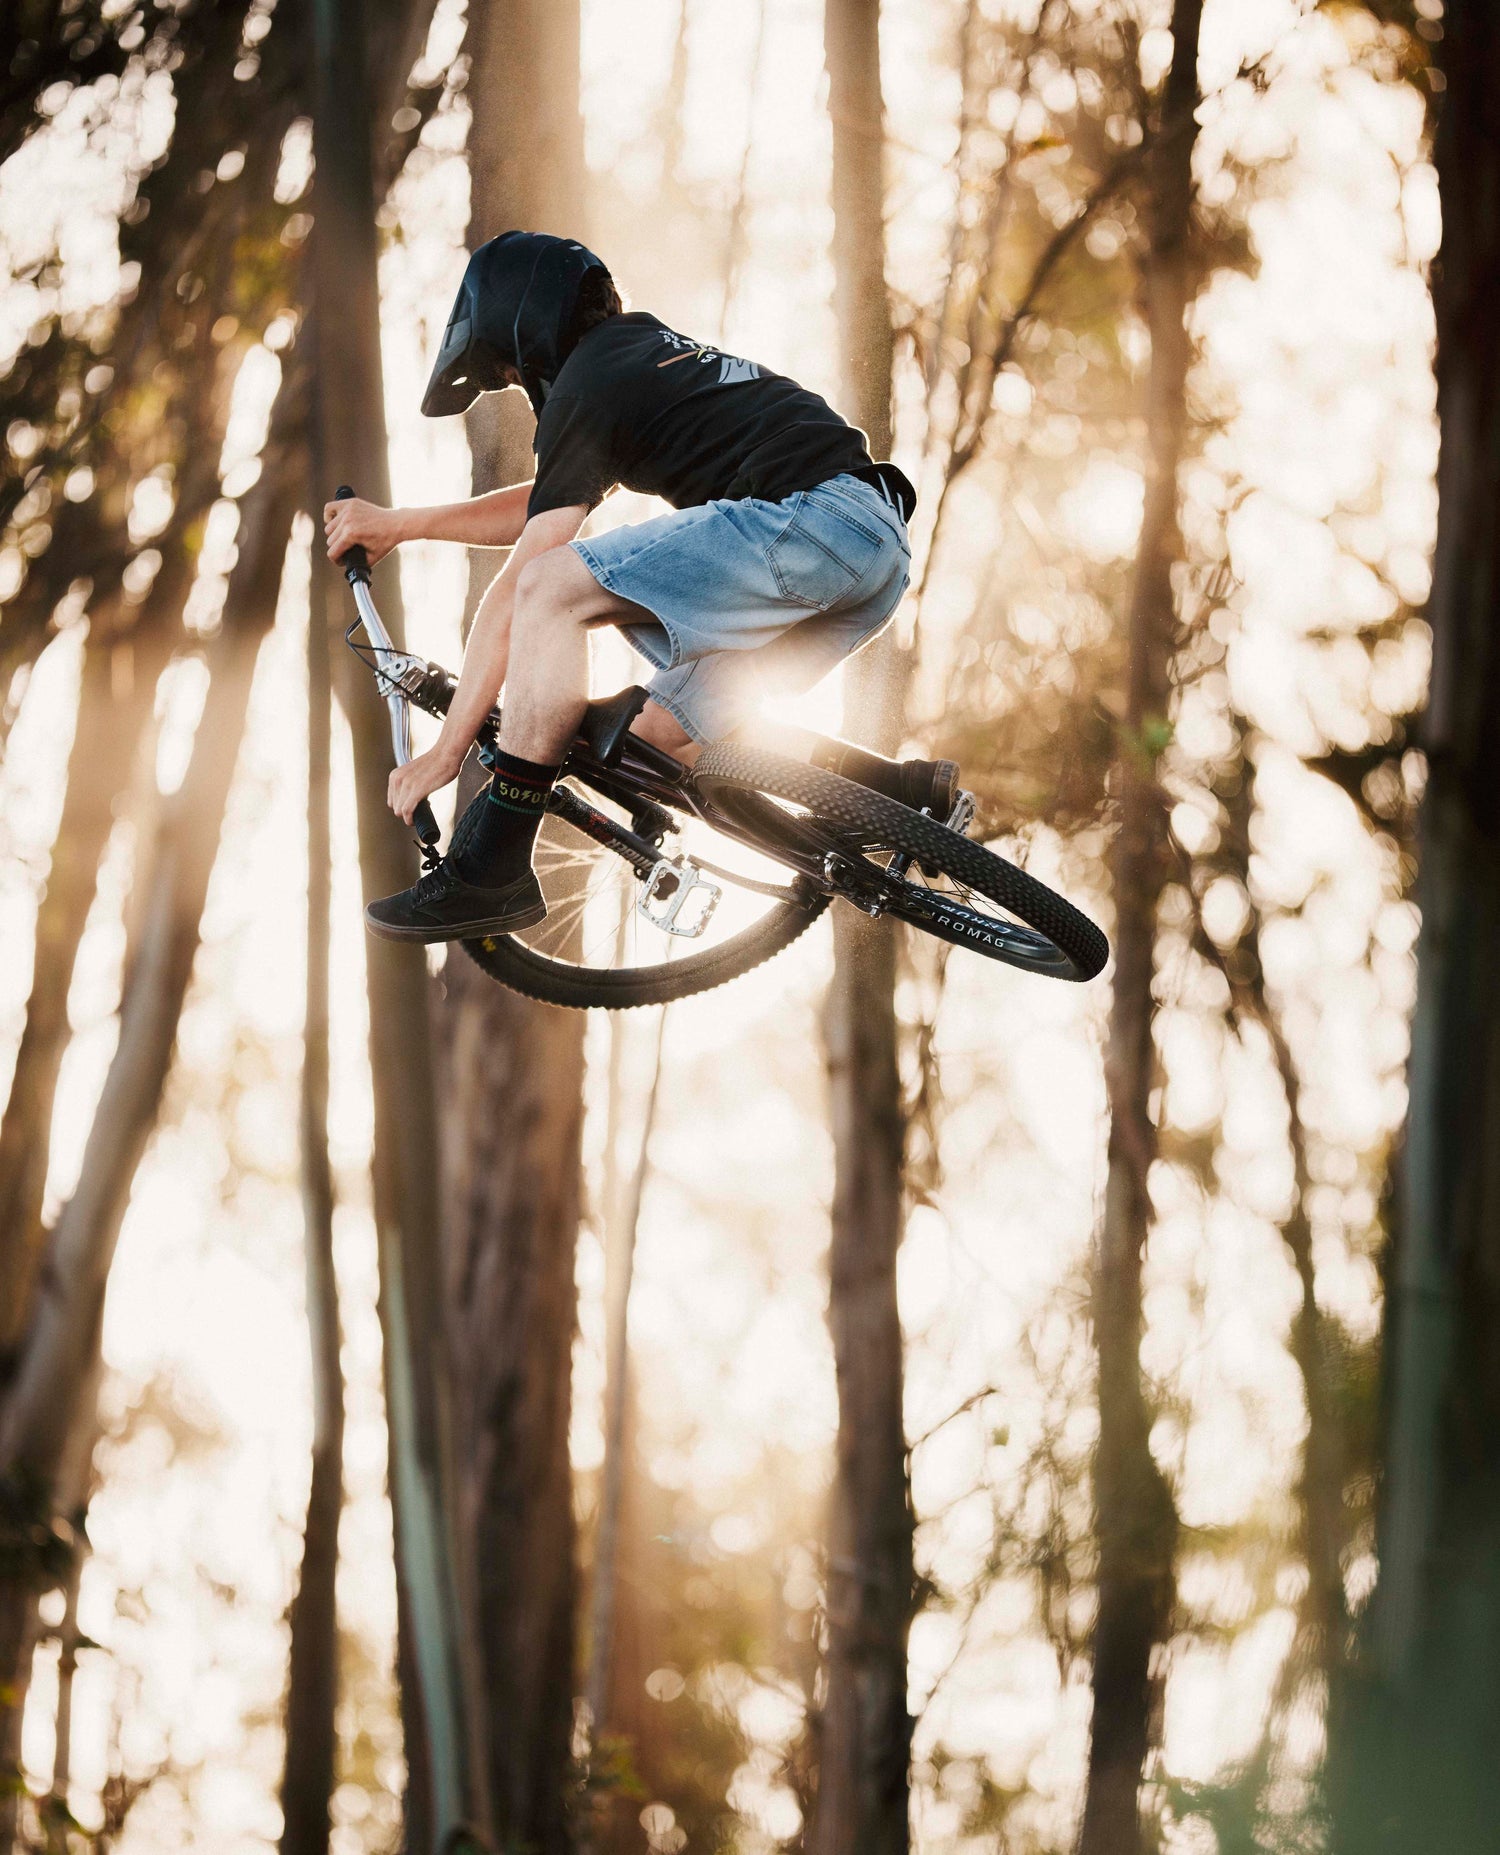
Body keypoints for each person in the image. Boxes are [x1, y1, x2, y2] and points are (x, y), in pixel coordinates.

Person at [324, 229, 954, 943]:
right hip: (868, 552)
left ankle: (492, 866)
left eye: (503, 367)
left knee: (550, 586)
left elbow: (527, 582)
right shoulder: (637, 361)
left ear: (525, 333)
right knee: (661, 741)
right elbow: (540, 508)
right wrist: (401, 525)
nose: (512, 382)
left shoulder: (591, 379)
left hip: (816, 522)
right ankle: (892, 797)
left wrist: (445, 756)